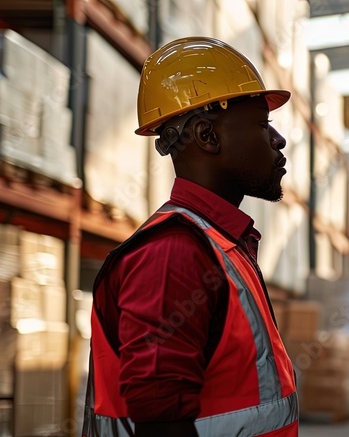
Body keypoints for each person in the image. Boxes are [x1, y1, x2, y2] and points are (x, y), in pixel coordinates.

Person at [81, 37, 298, 437]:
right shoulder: (174, 254)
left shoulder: (224, 246)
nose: (277, 140)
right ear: (206, 135)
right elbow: (161, 422)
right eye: (261, 124)